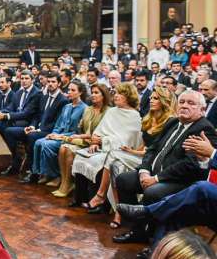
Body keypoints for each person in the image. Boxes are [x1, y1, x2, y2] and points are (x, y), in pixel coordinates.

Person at [113, 90, 217, 245]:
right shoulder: (173, 122)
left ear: (202, 110)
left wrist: (155, 179)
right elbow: (153, 148)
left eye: (191, 103)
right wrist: (144, 171)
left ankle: (155, 239)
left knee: (153, 192)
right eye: (182, 102)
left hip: (179, 181)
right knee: (123, 180)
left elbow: (190, 165)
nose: (184, 106)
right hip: (152, 173)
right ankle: (138, 231)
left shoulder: (204, 129)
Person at [105, 87, 177, 228]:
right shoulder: (149, 118)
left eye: (156, 98)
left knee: (114, 156)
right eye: (151, 98)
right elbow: (144, 146)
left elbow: (157, 151)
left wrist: (134, 153)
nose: (151, 100)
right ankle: (119, 209)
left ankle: (112, 206)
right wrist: (131, 151)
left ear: (164, 101)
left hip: (152, 161)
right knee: (115, 165)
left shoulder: (170, 121)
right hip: (142, 156)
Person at [71, 83, 142, 212]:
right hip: (103, 147)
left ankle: (103, 204)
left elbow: (126, 141)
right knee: (81, 157)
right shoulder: (112, 112)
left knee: (100, 162)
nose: (116, 96)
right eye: (115, 92)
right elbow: (98, 131)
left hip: (121, 151)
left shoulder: (134, 116)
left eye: (120, 93)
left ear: (128, 96)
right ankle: (80, 198)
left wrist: (103, 140)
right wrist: (94, 142)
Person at [57, 84, 111, 198]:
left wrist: (80, 137)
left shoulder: (109, 111)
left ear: (104, 95)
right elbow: (81, 127)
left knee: (68, 149)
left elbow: (103, 133)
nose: (93, 95)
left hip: (98, 144)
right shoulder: (88, 109)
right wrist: (79, 135)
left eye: (96, 92)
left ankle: (68, 184)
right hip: (86, 140)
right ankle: (65, 182)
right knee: (62, 148)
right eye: (92, 92)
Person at [14, 73, 69, 183]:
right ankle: (27, 168)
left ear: (59, 84)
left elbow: (57, 122)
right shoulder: (44, 97)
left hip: (51, 131)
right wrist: (33, 126)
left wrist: (39, 130)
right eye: (49, 82)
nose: (50, 84)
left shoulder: (63, 100)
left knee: (32, 137)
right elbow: (37, 116)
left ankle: (33, 172)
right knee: (25, 133)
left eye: (53, 82)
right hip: (40, 128)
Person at [31, 81, 88, 187]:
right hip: (58, 135)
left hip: (70, 137)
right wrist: (53, 134)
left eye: (73, 90)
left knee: (47, 145)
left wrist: (59, 136)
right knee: (38, 142)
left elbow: (80, 131)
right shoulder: (66, 107)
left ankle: (56, 175)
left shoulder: (84, 108)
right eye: (69, 90)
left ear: (80, 93)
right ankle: (42, 172)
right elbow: (58, 124)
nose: (69, 92)